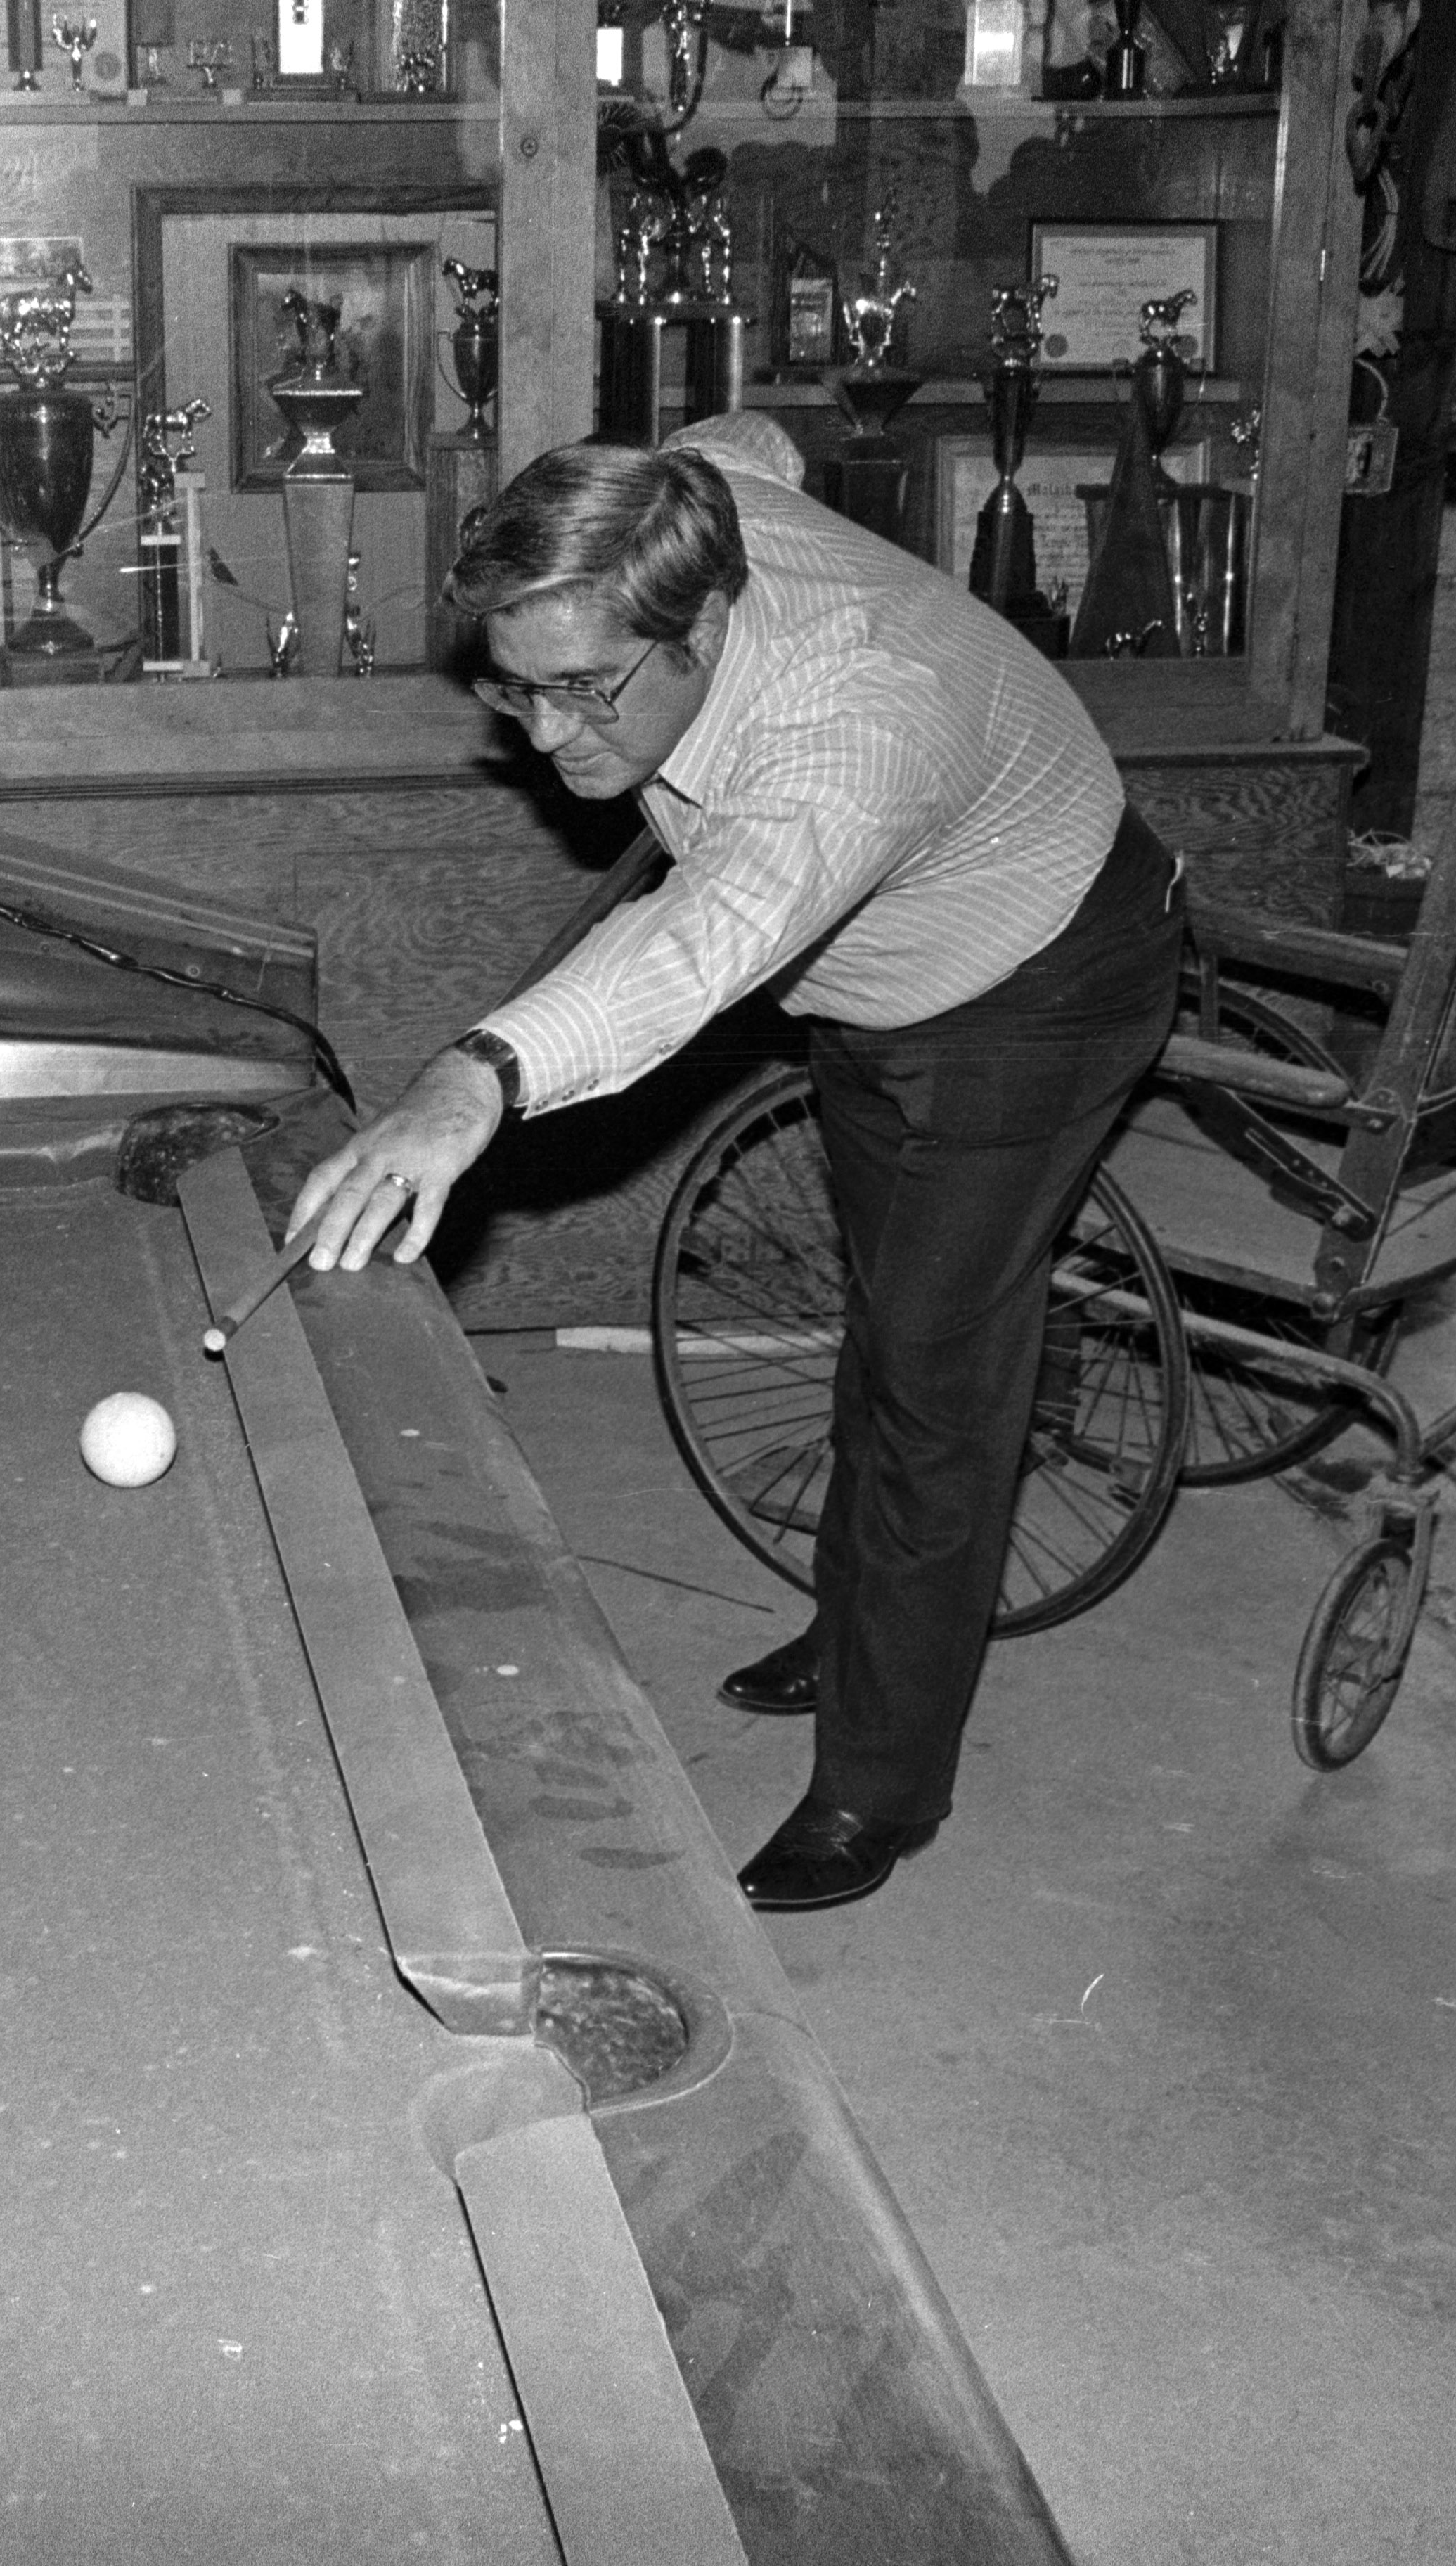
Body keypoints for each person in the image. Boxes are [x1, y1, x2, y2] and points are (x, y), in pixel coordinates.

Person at [287, 412, 1183, 1913]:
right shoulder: (695, 505)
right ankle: (856, 1627)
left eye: (584, 690)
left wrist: (477, 1075)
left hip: (1040, 982)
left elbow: (703, 940)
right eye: (515, 688)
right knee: (885, 1321)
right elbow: (749, 436)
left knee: (936, 1376)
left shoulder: (858, 729)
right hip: (884, 978)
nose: (547, 738)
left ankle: (878, 1787)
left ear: (705, 624)